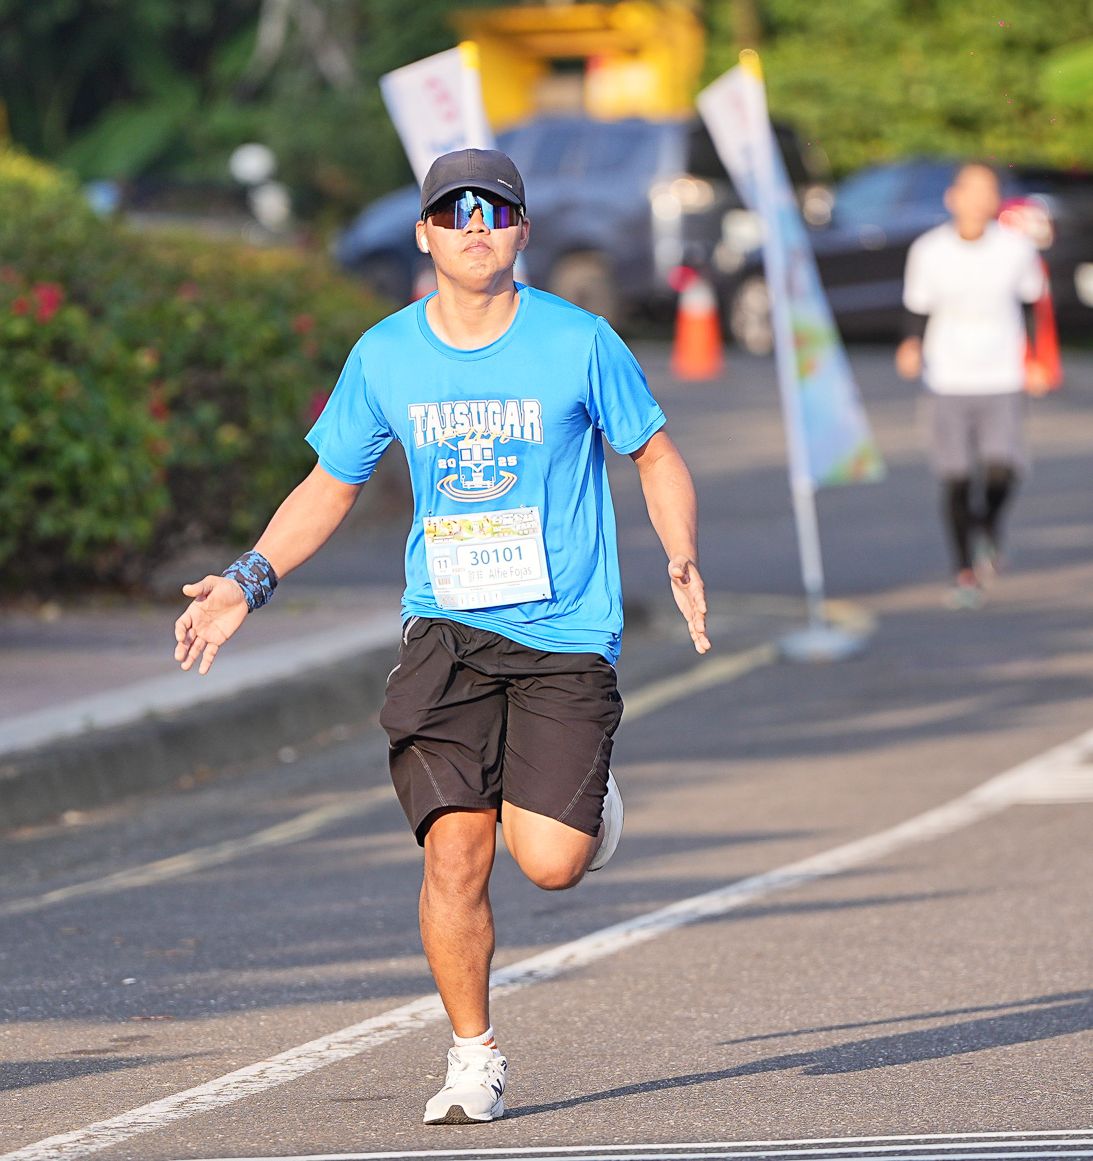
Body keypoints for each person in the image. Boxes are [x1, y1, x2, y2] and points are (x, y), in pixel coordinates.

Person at [171, 148, 710, 1126]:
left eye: (494, 211)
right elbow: (331, 483)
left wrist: (679, 554)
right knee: (454, 853)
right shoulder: (386, 354)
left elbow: (654, 451)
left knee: (549, 862)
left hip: (563, 635)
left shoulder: (579, 341)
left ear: (522, 231)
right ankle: (473, 1056)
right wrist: (248, 581)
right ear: (423, 233)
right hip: (446, 632)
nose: (475, 227)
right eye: (454, 212)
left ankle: (580, 802)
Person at [896, 163, 1046, 610]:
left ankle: (988, 524)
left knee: (1002, 469)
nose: (980, 199)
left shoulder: (1017, 249)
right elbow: (918, 307)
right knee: (957, 477)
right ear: (953, 198)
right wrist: (911, 344)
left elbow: (1032, 304)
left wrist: (1036, 358)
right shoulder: (929, 250)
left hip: (1002, 375)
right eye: (971, 190)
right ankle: (964, 568)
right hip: (948, 377)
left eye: (988, 190)